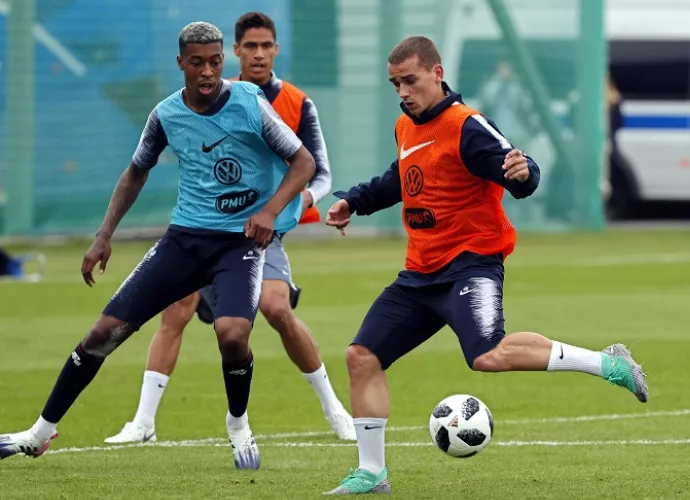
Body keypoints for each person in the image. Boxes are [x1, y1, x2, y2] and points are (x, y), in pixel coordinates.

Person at [322, 36, 648, 495]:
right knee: (362, 357)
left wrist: (524, 174)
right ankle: (373, 474)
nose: (402, 91)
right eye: (395, 83)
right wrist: (353, 201)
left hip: (470, 264)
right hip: (420, 273)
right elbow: (401, 177)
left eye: (410, 81)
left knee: (487, 355)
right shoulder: (406, 126)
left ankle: (607, 363)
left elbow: (518, 167)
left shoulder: (466, 125)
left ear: (437, 74)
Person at [0, 22, 317, 471]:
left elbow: (302, 162)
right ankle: (39, 433)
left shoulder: (249, 102)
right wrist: (103, 235)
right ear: (180, 64)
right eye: (197, 62)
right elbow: (135, 173)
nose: (207, 71)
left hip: (239, 243)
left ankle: (238, 422)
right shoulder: (166, 115)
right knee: (102, 335)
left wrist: (269, 212)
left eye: (214, 61)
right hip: (185, 240)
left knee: (232, 334)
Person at [104, 11, 354, 446]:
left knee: (277, 309)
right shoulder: (211, 96)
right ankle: (142, 423)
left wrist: (286, 208)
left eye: (267, 46)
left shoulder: (295, 102)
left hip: (261, 231)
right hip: (204, 231)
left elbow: (319, 172)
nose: (259, 54)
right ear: (235, 52)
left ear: (276, 50)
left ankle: (335, 409)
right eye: (250, 46)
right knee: (175, 309)